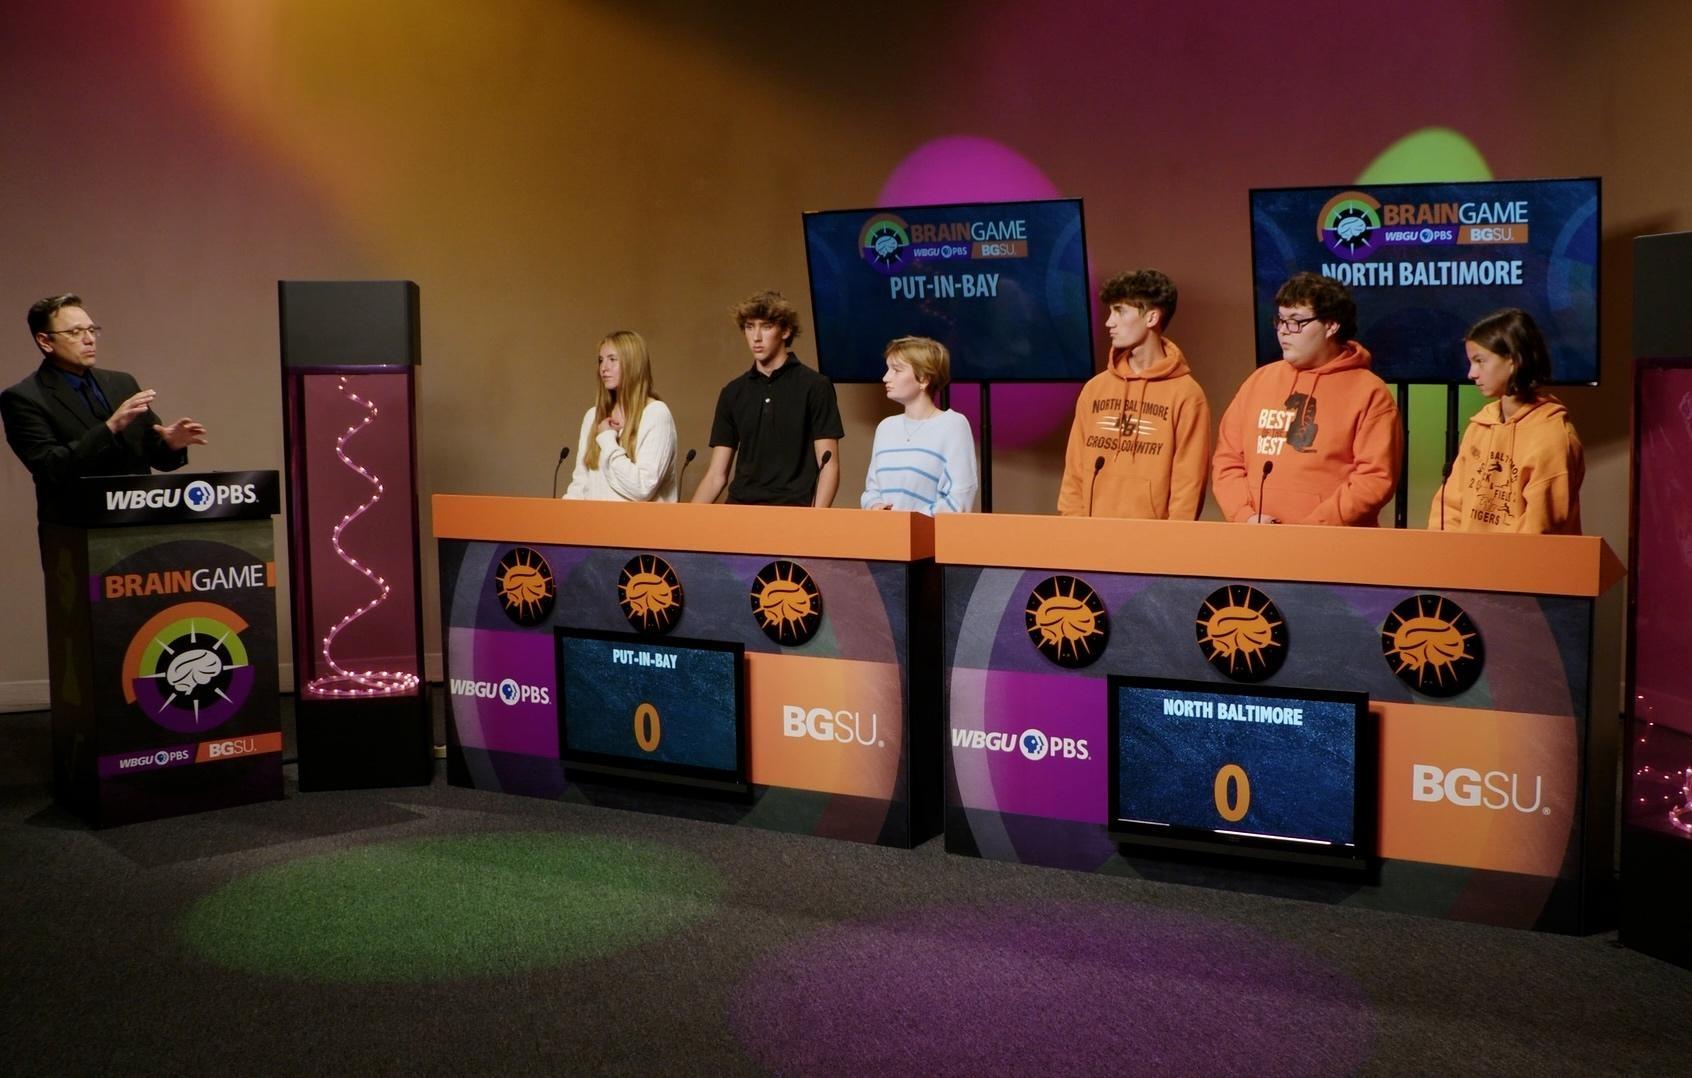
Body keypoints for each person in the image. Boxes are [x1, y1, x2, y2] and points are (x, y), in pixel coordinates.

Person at [1212, 272, 1400, 525]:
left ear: (1331, 326)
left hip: (1332, 542)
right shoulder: (1258, 381)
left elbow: (1374, 479)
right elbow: (1228, 461)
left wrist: (1310, 530)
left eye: (1296, 321)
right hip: (1257, 536)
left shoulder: (1370, 393)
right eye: (1280, 320)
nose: (1283, 331)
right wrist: (1244, 515)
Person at [2, 293, 206, 519]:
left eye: (92, 330)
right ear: (45, 341)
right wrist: (110, 428)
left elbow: (158, 459)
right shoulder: (23, 398)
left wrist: (170, 444)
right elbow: (50, 468)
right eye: (75, 332)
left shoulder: (122, 383)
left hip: (142, 519)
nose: (89, 339)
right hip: (80, 525)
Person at [1057, 269, 1210, 518]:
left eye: (1119, 311)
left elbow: (1188, 484)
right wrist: (1074, 525)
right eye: (1110, 312)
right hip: (1090, 535)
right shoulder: (1095, 389)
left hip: (1153, 538)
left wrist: (1174, 538)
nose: (1109, 322)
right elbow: (1074, 472)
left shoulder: (1187, 395)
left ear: (1151, 317)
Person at [1429, 308, 1583, 534]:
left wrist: (1488, 556)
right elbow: (1450, 505)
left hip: (1518, 557)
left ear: (1514, 360)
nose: (1471, 373)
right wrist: (1445, 549)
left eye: (1480, 361)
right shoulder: (1479, 427)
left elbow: (1539, 528)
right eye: (1471, 362)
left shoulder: (1553, 436)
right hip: (1466, 556)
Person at [692, 290, 843, 506]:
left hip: (791, 510)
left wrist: (815, 521)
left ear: (786, 331)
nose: (756, 337)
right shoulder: (733, 393)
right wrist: (685, 522)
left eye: (766, 326)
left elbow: (829, 465)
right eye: (749, 327)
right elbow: (716, 475)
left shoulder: (815, 386)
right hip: (739, 508)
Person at [862, 336, 977, 514]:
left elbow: (960, 498)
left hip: (930, 531)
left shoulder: (953, 425)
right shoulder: (886, 427)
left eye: (896, 370)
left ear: (924, 378)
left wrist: (912, 520)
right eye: (888, 369)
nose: (885, 377)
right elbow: (872, 490)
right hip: (884, 531)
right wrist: (874, 505)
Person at [561, 330, 678, 501]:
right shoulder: (593, 416)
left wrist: (607, 439)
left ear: (633, 364)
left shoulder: (656, 414)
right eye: (601, 360)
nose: (603, 368)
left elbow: (642, 489)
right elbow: (580, 484)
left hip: (638, 519)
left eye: (612, 359)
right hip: (593, 519)